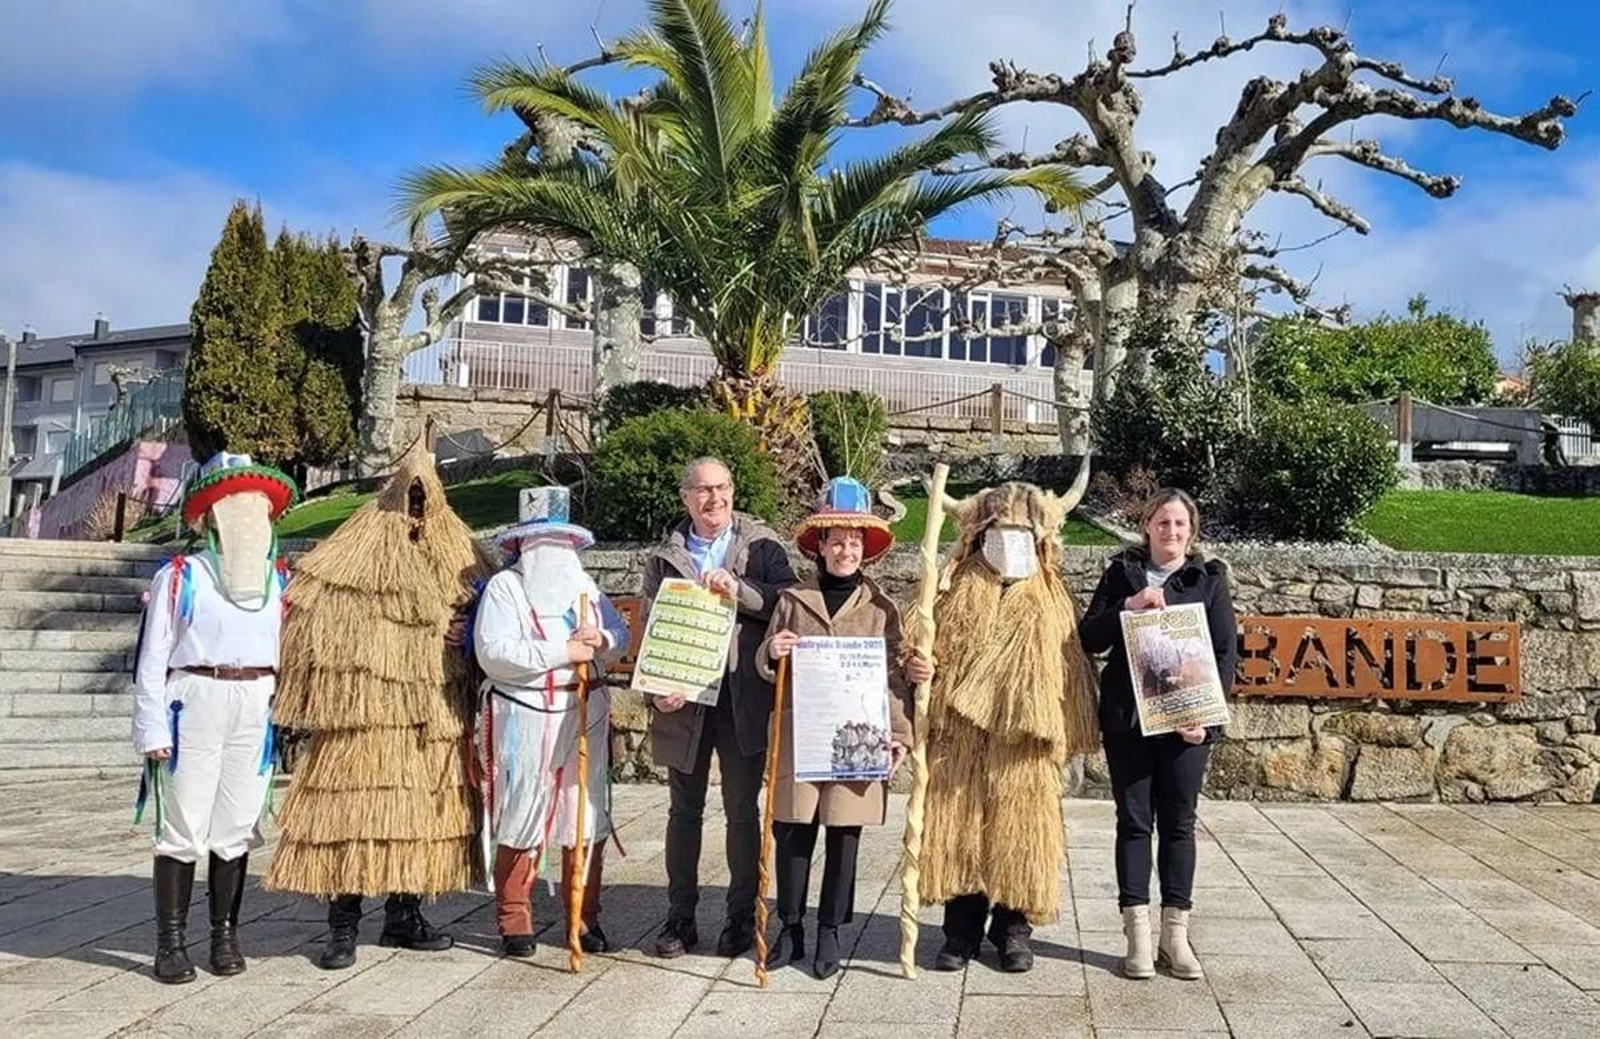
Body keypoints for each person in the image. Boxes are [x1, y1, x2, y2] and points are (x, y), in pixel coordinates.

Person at [264, 440, 490, 970]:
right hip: (366, 721)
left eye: (422, 497)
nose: (415, 505)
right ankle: (343, 924)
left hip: (433, 714)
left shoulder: (462, 552)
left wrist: (468, 632)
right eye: (409, 495)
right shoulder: (354, 553)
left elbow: (493, 618)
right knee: (350, 818)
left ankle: (404, 914)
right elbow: (313, 622)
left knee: (421, 819)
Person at [912, 481, 1100, 973]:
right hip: (962, 739)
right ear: (980, 532)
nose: (1010, 539)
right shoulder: (953, 589)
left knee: (1022, 834)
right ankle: (961, 933)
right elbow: (922, 647)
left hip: (1026, 744)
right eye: (999, 528)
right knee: (962, 833)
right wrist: (921, 668)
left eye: (1020, 530)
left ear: (1039, 536)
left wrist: (1067, 731)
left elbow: (1071, 669)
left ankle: (1014, 931)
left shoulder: (1052, 596)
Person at [131, 451, 298, 984]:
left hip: (255, 701)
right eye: (236, 507)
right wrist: (152, 727)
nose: (248, 518)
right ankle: (171, 942)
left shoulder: (278, 582)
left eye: (257, 508)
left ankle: (224, 935)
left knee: (236, 823)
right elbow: (153, 657)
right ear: (212, 518)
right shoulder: (182, 576)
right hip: (196, 697)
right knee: (183, 822)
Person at [756, 477, 930, 979]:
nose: (845, 550)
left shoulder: (882, 610)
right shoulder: (792, 599)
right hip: (800, 736)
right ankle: (790, 926)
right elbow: (764, 661)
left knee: (844, 834)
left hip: (857, 740)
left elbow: (895, 679)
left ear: (865, 551)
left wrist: (900, 734)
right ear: (821, 547)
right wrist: (773, 652)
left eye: (855, 542)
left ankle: (830, 930)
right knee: (793, 832)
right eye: (836, 540)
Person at [1080, 487, 1238, 982]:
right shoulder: (1121, 573)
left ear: (1192, 532)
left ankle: (1176, 936)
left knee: (1179, 824)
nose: (1171, 532)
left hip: (1186, 725)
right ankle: (1139, 939)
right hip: (1130, 721)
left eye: (1180, 525)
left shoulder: (1208, 579)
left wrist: (1207, 721)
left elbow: (1225, 654)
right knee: (1132, 823)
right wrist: (1128, 605)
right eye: (1163, 522)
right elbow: (1089, 637)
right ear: (1146, 525)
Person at [644, 457, 797, 959]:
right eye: (704, 490)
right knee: (683, 811)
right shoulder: (664, 556)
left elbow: (789, 601)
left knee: (741, 812)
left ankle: (739, 918)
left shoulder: (763, 544)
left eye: (723, 487)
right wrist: (656, 688)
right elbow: (650, 629)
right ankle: (680, 918)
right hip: (684, 699)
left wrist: (743, 592)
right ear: (685, 497)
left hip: (741, 696)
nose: (715, 498)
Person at [473, 487, 630, 957]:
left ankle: (584, 917)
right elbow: (495, 654)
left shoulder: (585, 589)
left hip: (585, 711)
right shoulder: (506, 589)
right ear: (522, 544)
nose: (552, 551)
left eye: (560, 541)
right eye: (541, 541)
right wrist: (561, 651)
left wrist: (601, 638)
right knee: (524, 809)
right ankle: (514, 917)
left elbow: (619, 636)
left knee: (584, 814)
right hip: (526, 714)